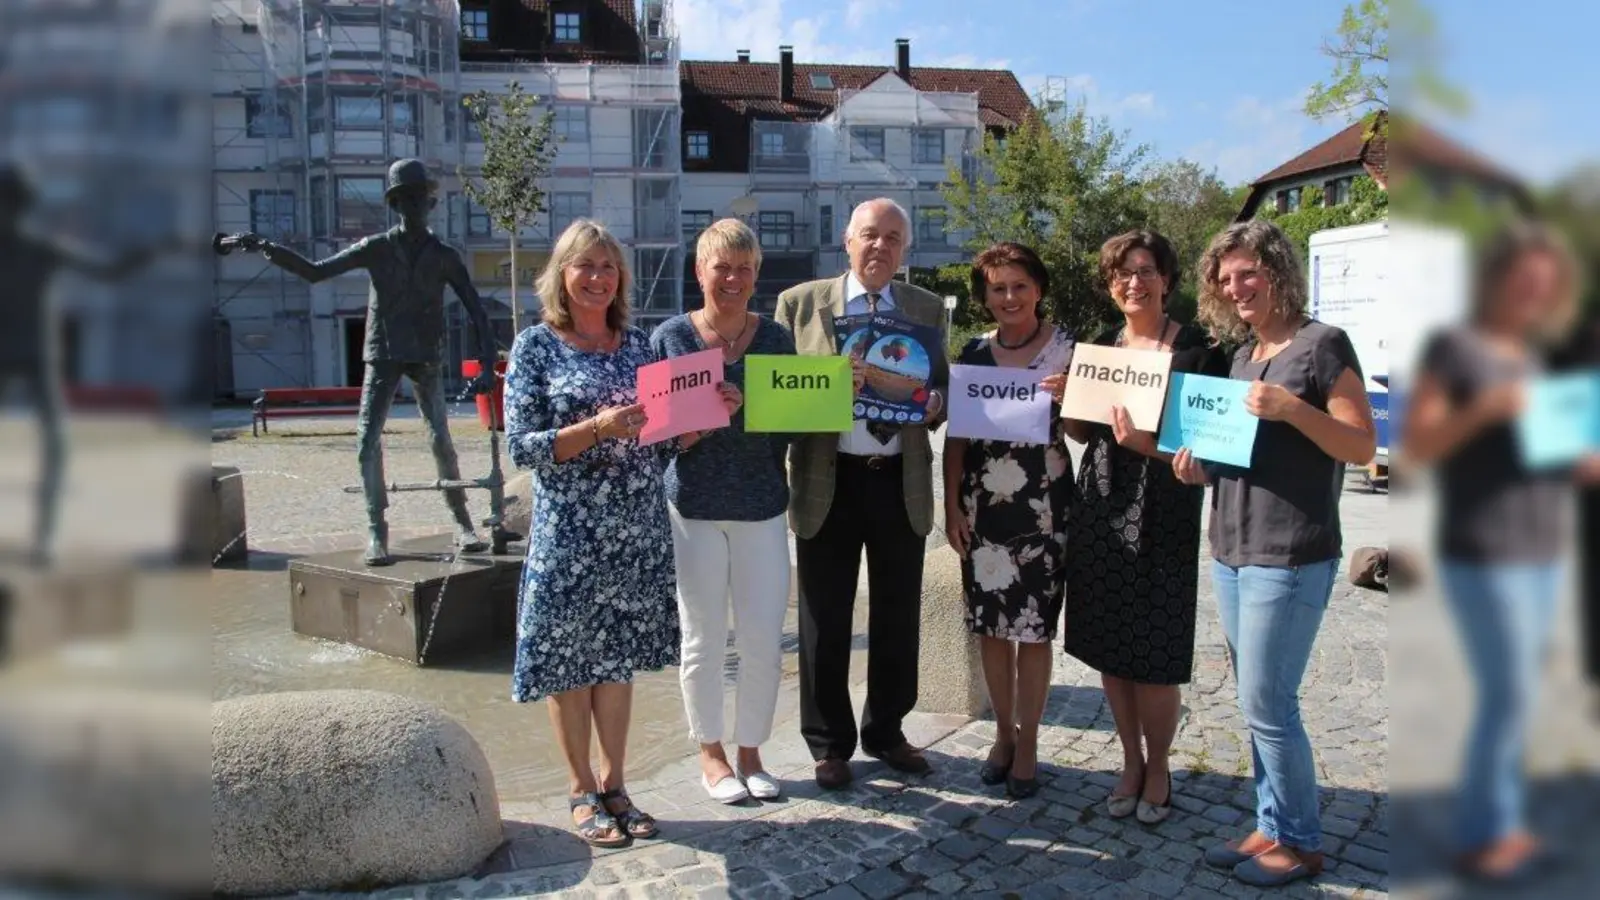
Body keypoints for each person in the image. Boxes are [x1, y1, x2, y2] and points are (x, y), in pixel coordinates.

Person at [503, 219, 739, 847]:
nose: (598, 277)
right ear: (562, 274)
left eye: (609, 267)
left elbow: (661, 441)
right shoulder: (535, 347)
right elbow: (521, 449)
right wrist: (598, 428)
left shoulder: (637, 346)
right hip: (570, 533)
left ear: (620, 280)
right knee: (568, 664)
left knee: (616, 663)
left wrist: (706, 418)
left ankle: (615, 785)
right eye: (586, 265)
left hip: (634, 529)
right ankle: (581, 788)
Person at [1172, 219, 1376, 887]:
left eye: (1247, 274)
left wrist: (1292, 408)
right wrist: (1199, 467)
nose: (1236, 288)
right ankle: (1272, 824)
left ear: (1278, 271)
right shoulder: (1243, 356)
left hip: (1289, 552)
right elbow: (1239, 454)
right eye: (1225, 279)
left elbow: (1360, 446)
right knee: (1254, 702)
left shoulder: (1322, 344)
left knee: (1269, 702)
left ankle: (1304, 844)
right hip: (1232, 547)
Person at [1401, 221, 1596, 884]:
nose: (1535, 290)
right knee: (1506, 693)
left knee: (1521, 696)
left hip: (1544, 547)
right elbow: (1419, 446)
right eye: (1524, 277)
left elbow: (1551, 451)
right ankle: (1480, 835)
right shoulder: (1455, 347)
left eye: (1546, 281)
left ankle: (1502, 826)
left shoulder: (1539, 354)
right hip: (1483, 550)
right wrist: (1483, 410)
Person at [233, 158, 498, 566]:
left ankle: (462, 523)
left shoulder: (445, 256)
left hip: (425, 354)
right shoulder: (375, 248)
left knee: (440, 439)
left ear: (430, 203)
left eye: (421, 198)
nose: (415, 205)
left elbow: (477, 310)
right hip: (383, 351)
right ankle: (377, 530)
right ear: (395, 204)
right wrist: (270, 249)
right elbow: (316, 272)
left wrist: (486, 364)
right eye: (406, 199)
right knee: (366, 440)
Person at [775, 198, 950, 790]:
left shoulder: (925, 308)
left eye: (893, 238)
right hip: (829, 477)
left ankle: (887, 731)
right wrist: (829, 390)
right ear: (847, 241)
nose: (881, 246)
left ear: (905, 250)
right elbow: (780, 398)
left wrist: (934, 404)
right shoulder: (800, 304)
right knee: (824, 616)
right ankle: (829, 743)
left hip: (899, 478)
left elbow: (942, 388)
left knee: (898, 612)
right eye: (870, 235)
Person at [1059, 230, 1229, 825]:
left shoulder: (1200, 351)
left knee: (1155, 651)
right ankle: (1129, 761)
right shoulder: (1102, 347)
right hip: (1101, 503)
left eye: (1145, 271)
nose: (1134, 282)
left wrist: (1147, 445)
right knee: (1111, 644)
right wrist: (1069, 402)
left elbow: (1211, 451)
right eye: (1122, 273)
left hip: (1164, 507)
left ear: (1166, 280)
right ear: (1111, 284)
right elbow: (1084, 434)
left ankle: (1159, 768)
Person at [650, 219, 795, 804]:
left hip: (763, 507)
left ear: (756, 275)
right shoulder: (669, 338)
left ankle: (752, 752)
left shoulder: (777, 338)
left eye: (744, 268)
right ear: (699, 272)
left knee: (763, 639)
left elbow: (795, 423)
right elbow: (652, 436)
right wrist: (696, 427)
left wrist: (753, 405)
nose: (733, 279)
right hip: (695, 509)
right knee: (703, 638)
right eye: (722, 267)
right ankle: (711, 754)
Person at [942, 242, 1073, 799]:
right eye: (998, 288)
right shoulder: (974, 352)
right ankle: (1003, 734)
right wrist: (951, 505)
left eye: (1020, 285)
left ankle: (1031, 742)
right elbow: (957, 436)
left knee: (1034, 630)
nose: (1010, 297)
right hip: (983, 508)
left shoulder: (1068, 350)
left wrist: (1074, 396)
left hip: (1044, 508)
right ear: (985, 296)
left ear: (1038, 289)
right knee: (991, 629)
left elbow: (1086, 430)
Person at [0, 162, 177, 565]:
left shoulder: (38, 250)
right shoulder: (36, 250)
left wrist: (148, 250)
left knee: (55, 446)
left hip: (33, 356)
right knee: (52, 444)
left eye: (10, 205)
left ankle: (43, 538)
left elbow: (107, 270)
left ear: (19, 207)